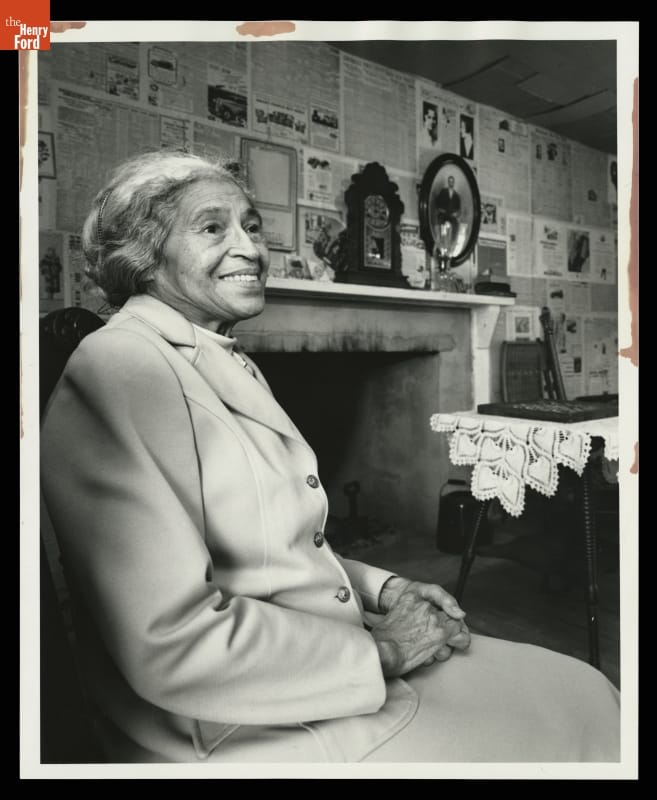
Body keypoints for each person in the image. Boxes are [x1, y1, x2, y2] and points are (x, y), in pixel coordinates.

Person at [40, 150, 620, 764]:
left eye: (252, 226)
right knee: (577, 721)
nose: (252, 249)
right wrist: (387, 652)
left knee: (581, 690)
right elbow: (172, 643)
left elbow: (279, 547)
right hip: (232, 725)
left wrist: (385, 588)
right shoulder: (119, 366)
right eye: (213, 228)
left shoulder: (216, 355)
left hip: (314, 661)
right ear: (144, 254)